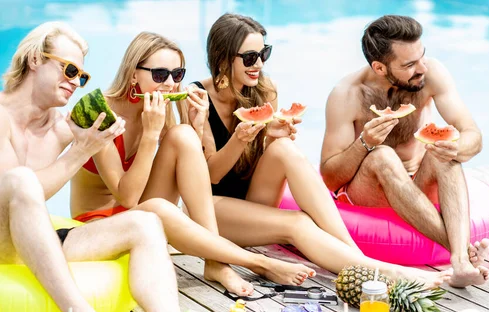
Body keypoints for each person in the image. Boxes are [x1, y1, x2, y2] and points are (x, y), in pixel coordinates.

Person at [0, 22, 243, 312]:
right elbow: (16, 196)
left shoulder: (62, 124)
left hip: (41, 240)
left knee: (145, 222)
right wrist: (79, 152)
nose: (75, 81)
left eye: (81, 76)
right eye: (69, 69)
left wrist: (194, 124)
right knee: (20, 180)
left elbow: (123, 150)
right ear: (36, 59)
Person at [192, 13, 452, 288]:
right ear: (222, 58)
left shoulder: (265, 89)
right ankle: (387, 273)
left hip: (256, 201)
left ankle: (354, 254)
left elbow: (261, 159)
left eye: (263, 53)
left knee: (284, 149)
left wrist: (272, 136)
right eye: (249, 58)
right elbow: (210, 177)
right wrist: (240, 139)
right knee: (298, 224)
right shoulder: (197, 99)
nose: (258, 64)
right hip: (214, 210)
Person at [70, 31, 316, 297]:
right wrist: (151, 134)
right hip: (97, 225)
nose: (169, 84)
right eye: (159, 75)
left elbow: (183, 170)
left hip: (142, 211)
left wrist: (196, 126)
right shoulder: (97, 110)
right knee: (159, 208)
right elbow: (127, 197)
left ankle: (215, 263)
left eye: (177, 75)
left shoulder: (160, 106)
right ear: (133, 74)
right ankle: (260, 263)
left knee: (183, 135)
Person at [320, 15, 489, 287]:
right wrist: (364, 143)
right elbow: (329, 177)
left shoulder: (430, 74)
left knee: (441, 150)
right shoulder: (347, 95)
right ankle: (463, 249)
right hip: (369, 191)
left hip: (417, 184)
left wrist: (456, 148)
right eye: (409, 65)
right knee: (382, 155)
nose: (422, 68)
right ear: (379, 67)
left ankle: (460, 262)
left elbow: (473, 134)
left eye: (422, 56)